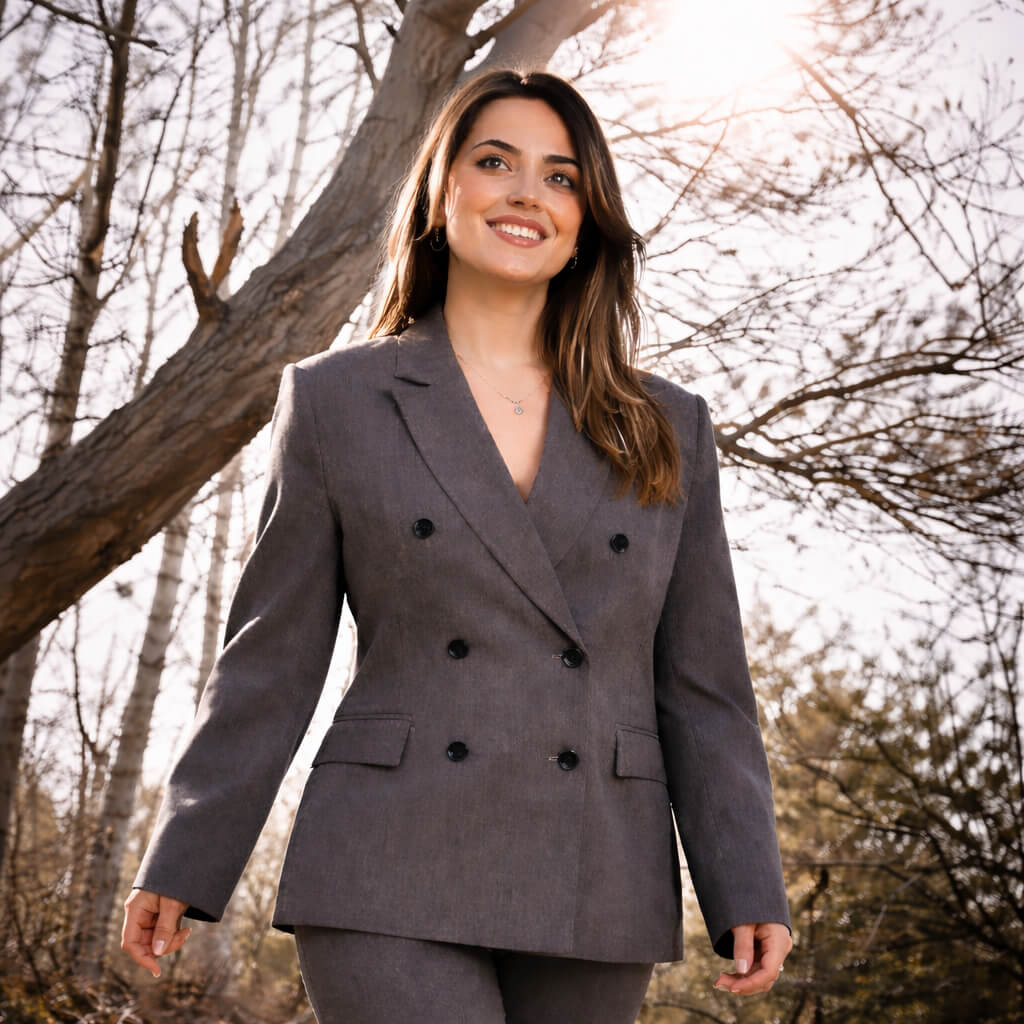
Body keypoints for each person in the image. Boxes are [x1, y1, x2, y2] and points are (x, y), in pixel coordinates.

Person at [122, 67, 792, 1023]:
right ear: (443, 192)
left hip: (596, 863)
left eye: (561, 177)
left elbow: (704, 682)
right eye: (495, 162)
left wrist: (746, 883)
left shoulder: (666, 426)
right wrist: (188, 850)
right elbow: (269, 657)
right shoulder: (337, 400)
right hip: (386, 858)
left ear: (586, 219)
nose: (527, 193)